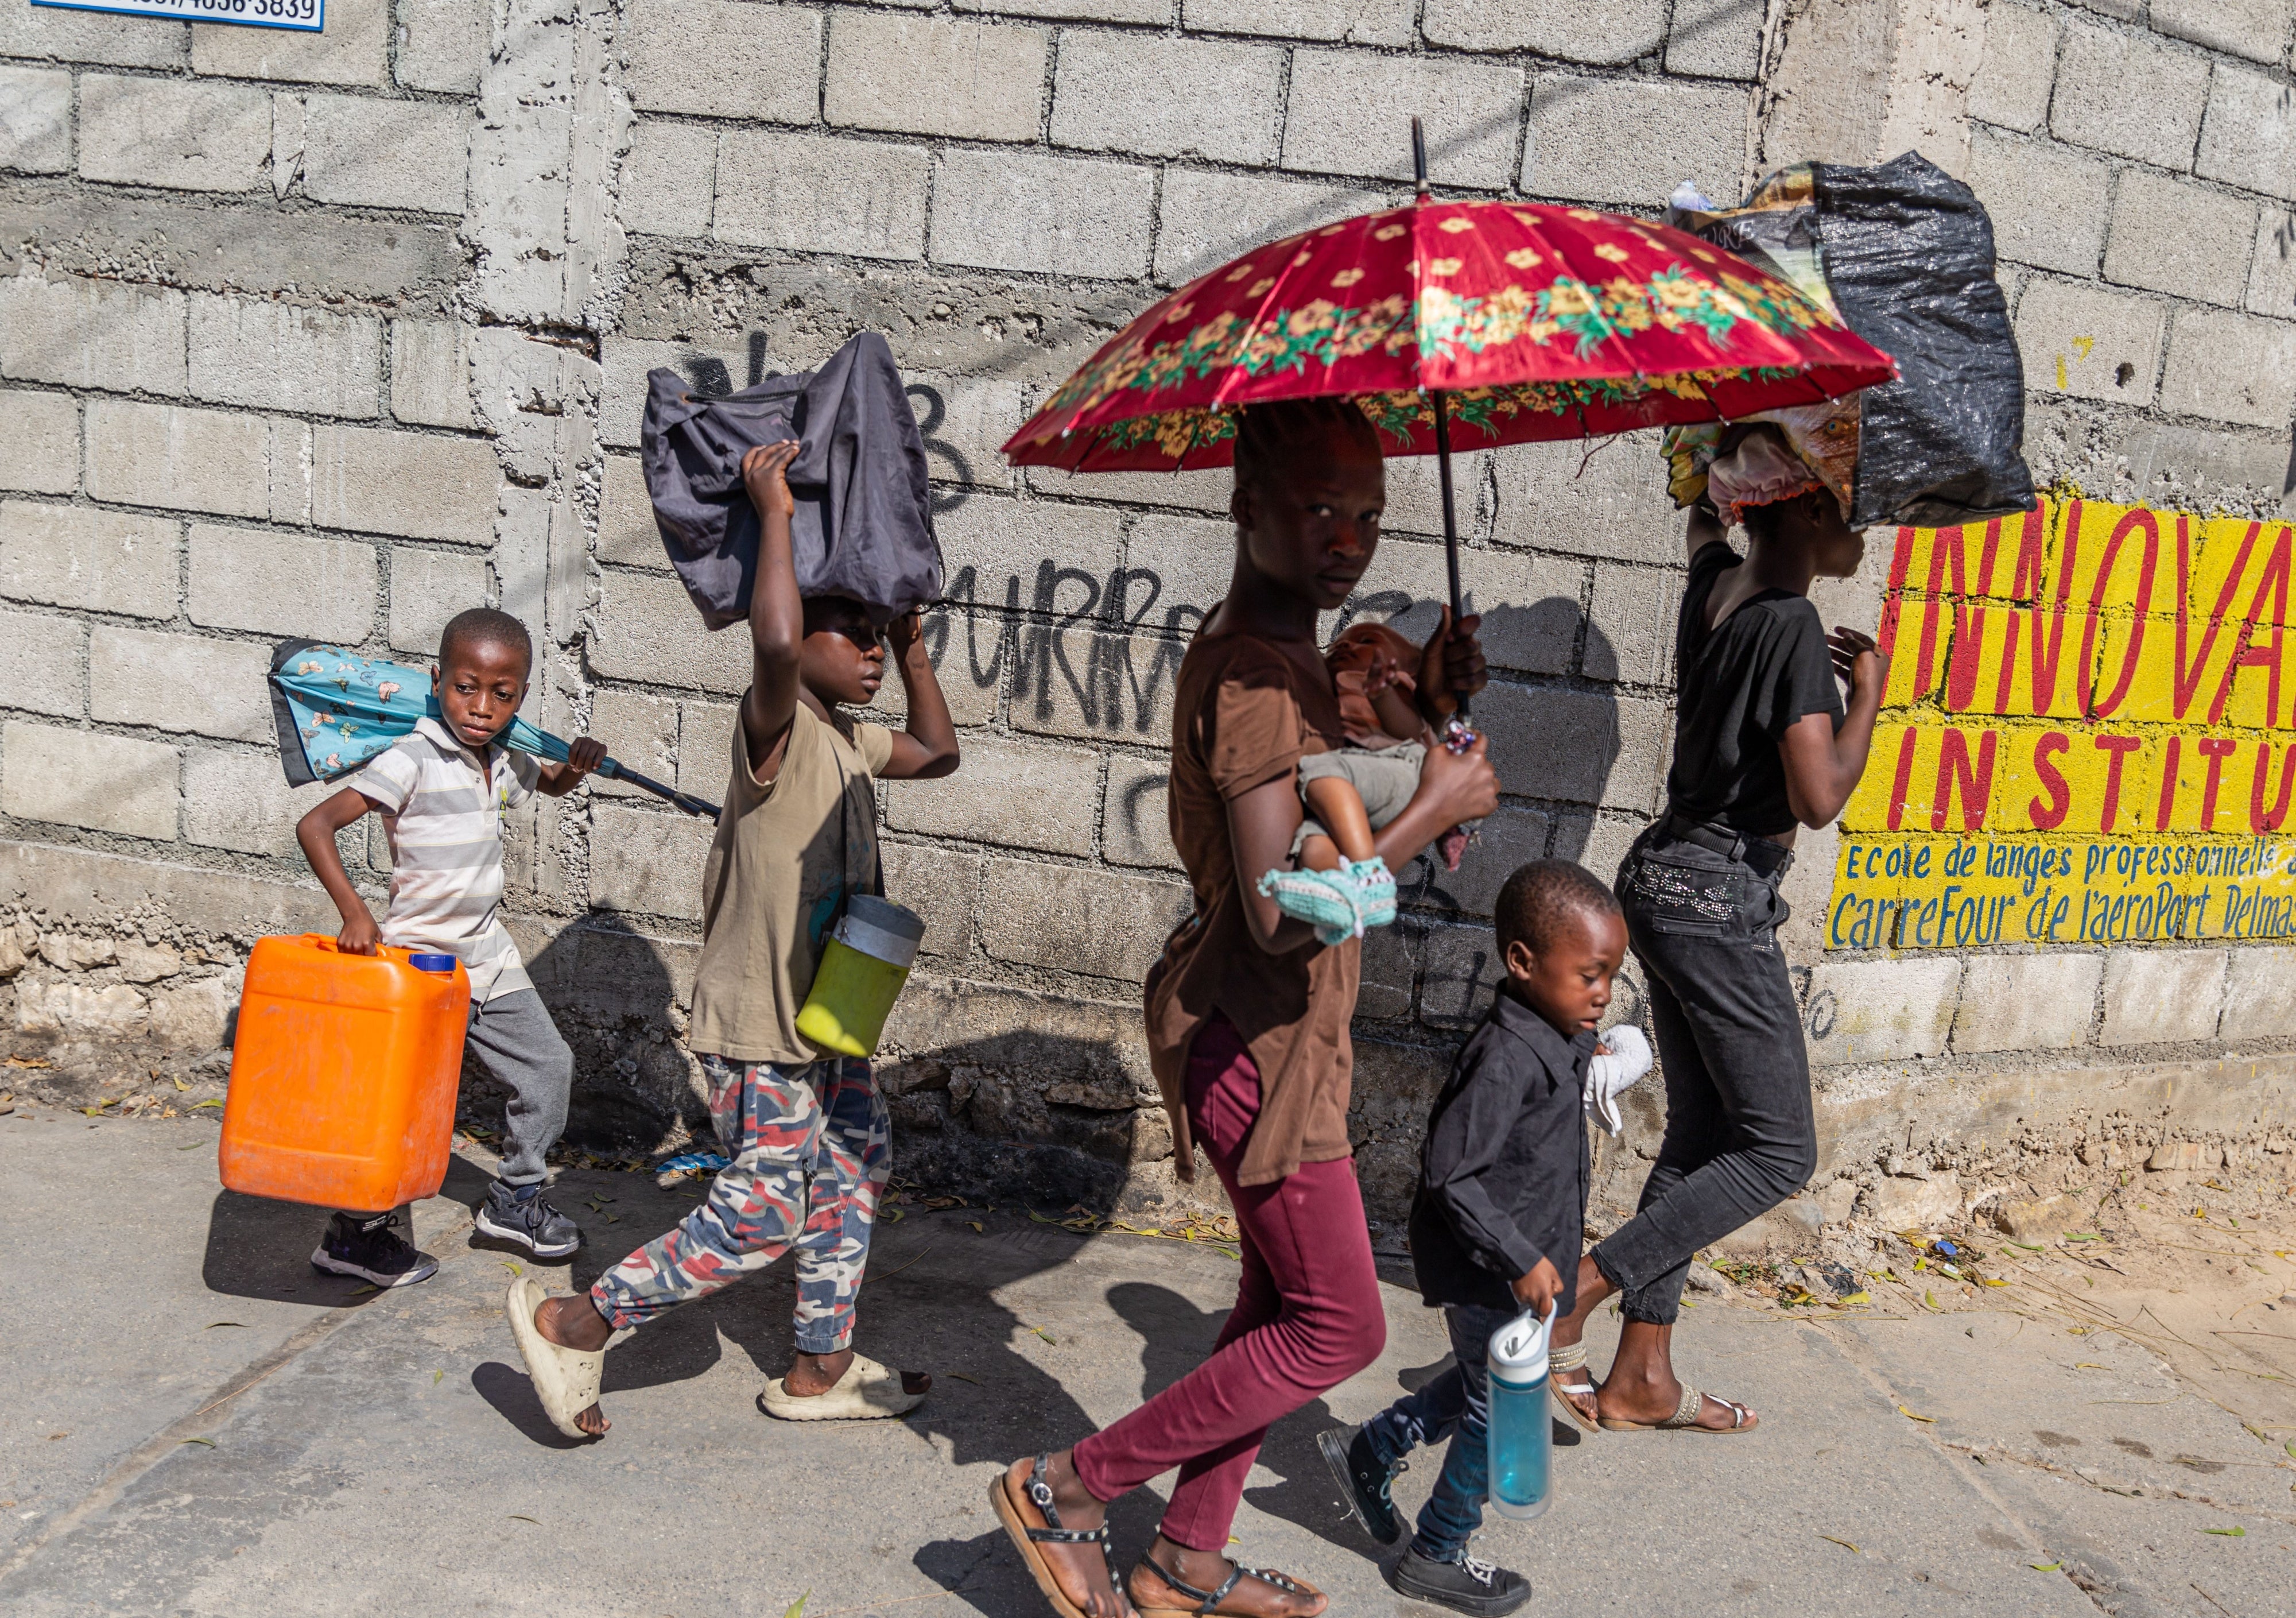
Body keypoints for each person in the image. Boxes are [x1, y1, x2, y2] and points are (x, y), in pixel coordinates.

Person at [989, 398, 1499, 1618]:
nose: (1348, 537)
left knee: (1277, 1306)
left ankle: (1186, 1562)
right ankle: (1067, 1485)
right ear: (1245, 509)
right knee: (1338, 1327)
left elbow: (1327, 746)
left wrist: (1425, 701)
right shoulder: (1258, 677)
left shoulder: (1278, 651)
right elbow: (1279, 909)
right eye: (1318, 508)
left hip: (1283, 1041)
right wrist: (1432, 805)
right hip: (1253, 1048)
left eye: (1368, 515)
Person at [503, 439, 960, 1440]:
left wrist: (915, 642)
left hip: (827, 1019)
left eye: (877, 632)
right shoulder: (779, 722)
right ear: (804, 642)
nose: (870, 647)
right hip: (760, 1023)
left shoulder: (846, 734)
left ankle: (820, 1363)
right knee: (759, 1213)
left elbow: (937, 750)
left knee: (857, 1156)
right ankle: (574, 1320)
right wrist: (778, 515)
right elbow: (775, 641)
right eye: (854, 631)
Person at [1548, 422, 1888, 1433]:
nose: (1864, 520)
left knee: (1702, 1132)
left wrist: (1723, 439)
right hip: (1715, 890)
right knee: (1781, 1150)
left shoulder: (1718, 585)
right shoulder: (1786, 620)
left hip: (1664, 873)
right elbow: (1818, 793)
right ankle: (1585, 1280)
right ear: (1815, 506)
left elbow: (1702, 519)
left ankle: (1641, 1376)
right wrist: (1869, 696)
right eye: (1854, 498)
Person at [1320, 859, 1627, 1615]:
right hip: (1493, 1262)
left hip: (1528, 1261)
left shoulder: (1556, 1031)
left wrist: (1610, 1050)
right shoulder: (1503, 1058)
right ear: (1523, 962)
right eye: (1589, 975)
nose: (1603, 994)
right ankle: (1438, 1550)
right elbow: (1452, 1175)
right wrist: (1522, 1257)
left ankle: (1375, 1445)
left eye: (1611, 976)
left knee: (1485, 1378)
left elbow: (1579, 1063)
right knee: (1502, 1405)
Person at [294, 608, 607, 1286]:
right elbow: (317, 824)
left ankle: (515, 1198)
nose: (483, 707)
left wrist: (575, 766)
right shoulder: (409, 758)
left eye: (504, 693)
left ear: (521, 696)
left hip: (486, 957)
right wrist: (355, 913)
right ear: (437, 681)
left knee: (549, 1066)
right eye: (467, 687)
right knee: (400, 1107)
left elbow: (547, 783)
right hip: (418, 966)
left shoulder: (505, 757)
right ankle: (353, 1237)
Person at [1258, 622, 1472, 944]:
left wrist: (1384, 695)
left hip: (1405, 771)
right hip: (1360, 794)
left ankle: (1368, 876)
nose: (1347, 645)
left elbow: (1411, 730)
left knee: (1320, 772)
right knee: (1312, 838)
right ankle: (1335, 892)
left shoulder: (1393, 698)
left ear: (1408, 676)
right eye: (1337, 647)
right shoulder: (1331, 707)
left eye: (1367, 640)